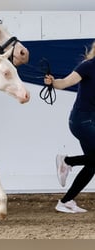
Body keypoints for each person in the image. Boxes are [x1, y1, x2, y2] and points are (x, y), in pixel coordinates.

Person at [44, 41, 95, 214]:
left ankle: (65, 202)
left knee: (92, 166)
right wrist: (52, 82)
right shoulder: (87, 66)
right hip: (81, 121)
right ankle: (66, 161)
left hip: (91, 122)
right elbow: (64, 82)